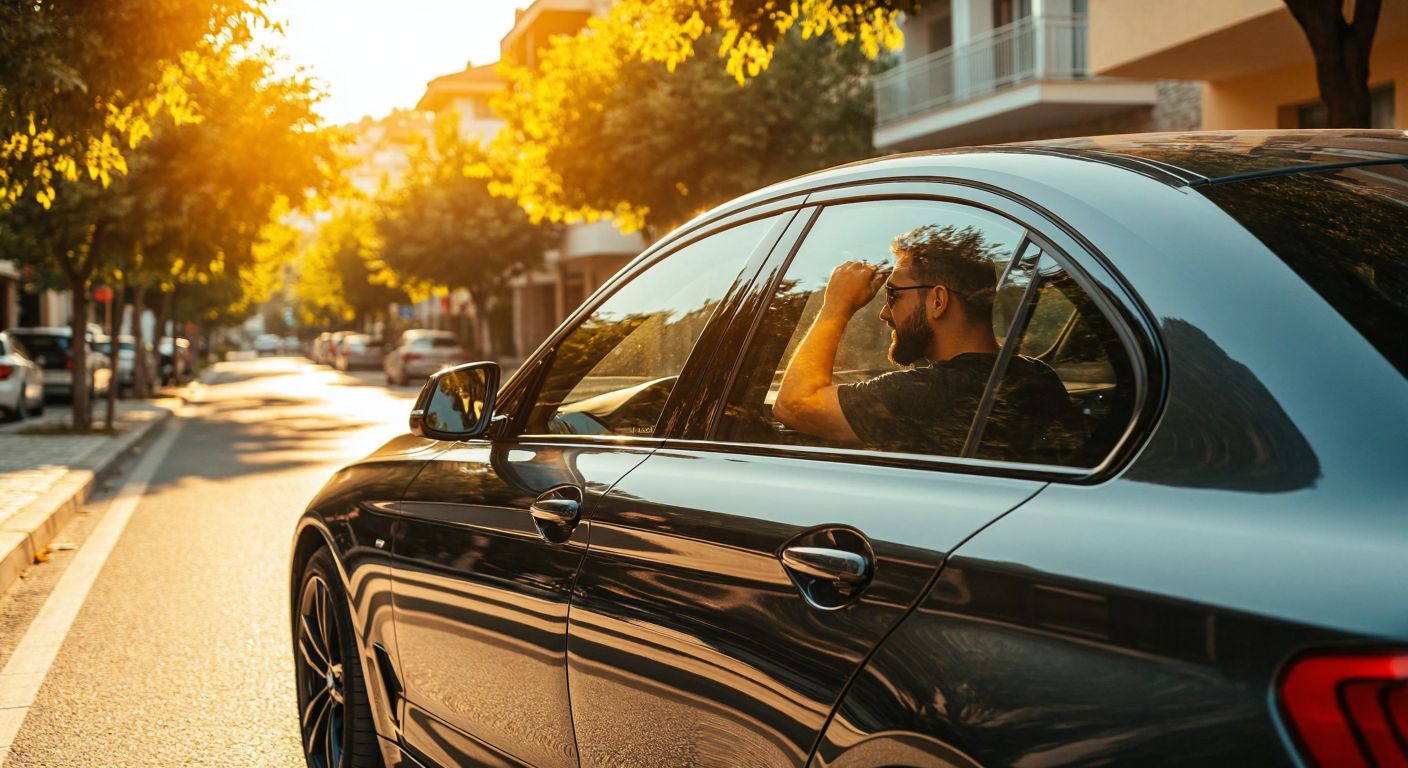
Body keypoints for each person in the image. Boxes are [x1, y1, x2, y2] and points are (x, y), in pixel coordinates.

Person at [772, 223, 1074, 459]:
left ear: (938, 301)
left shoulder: (927, 394)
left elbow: (794, 404)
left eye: (892, 295)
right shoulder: (1038, 377)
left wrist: (835, 306)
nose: (884, 313)